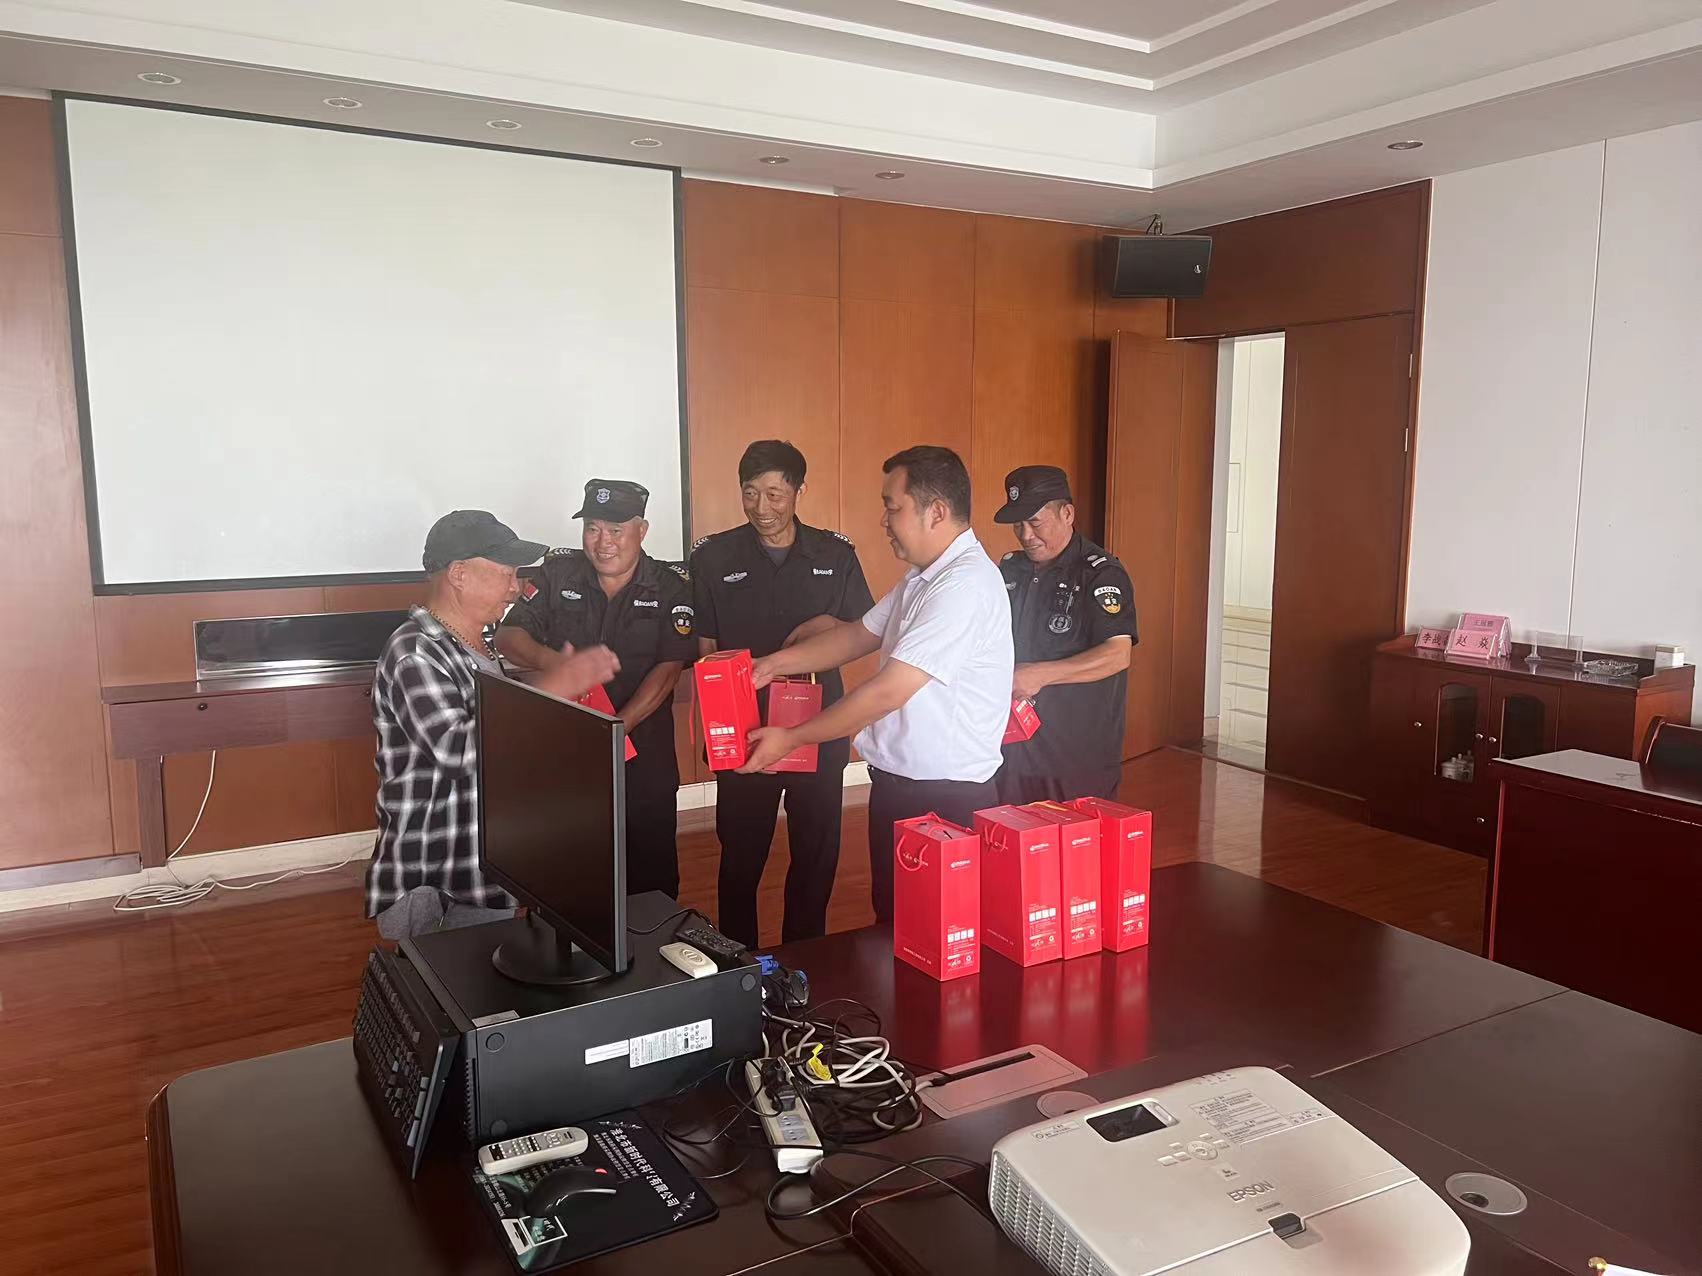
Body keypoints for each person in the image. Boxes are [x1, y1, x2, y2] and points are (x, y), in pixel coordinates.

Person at [738, 446, 1012, 924]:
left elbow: (888, 691)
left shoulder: (963, 585)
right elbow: (857, 635)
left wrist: (793, 738)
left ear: (936, 512)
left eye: (892, 507)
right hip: (901, 784)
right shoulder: (923, 578)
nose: (884, 520)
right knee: (894, 917)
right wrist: (772, 664)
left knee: (934, 926)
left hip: (943, 795)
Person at [367, 510, 619, 940]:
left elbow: (501, 728)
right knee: (434, 980)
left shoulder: (473, 646)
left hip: (481, 865)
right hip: (434, 874)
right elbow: (459, 753)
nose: (516, 588)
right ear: (459, 574)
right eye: (507, 573)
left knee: (482, 975)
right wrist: (557, 685)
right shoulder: (416, 652)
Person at [690, 440, 874, 946]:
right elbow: (706, 649)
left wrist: (824, 626)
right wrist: (717, 732)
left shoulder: (835, 555)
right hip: (744, 732)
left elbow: (862, 631)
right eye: (750, 493)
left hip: (817, 729)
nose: (761, 508)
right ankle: (739, 960)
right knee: (740, 856)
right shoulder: (713, 557)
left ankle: (807, 955)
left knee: (816, 853)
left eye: (775, 494)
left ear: (799, 491)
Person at [495, 480, 695, 898]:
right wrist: (556, 664)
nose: (603, 542)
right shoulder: (557, 574)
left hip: (642, 754)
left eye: (616, 530)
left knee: (651, 881)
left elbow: (669, 667)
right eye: (592, 528)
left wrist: (616, 729)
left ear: (642, 530)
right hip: (566, 750)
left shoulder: (671, 586)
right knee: (569, 872)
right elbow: (508, 635)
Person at [993, 466, 1139, 804]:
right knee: (1004, 833)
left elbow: (1118, 654)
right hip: (1012, 751)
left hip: (1074, 758)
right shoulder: (1011, 568)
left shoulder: (1100, 574)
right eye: (1018, 525)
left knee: (1072, 837)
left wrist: (1040, 675)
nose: (1026, 535)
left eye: (1036, 523)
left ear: (1067, 514)